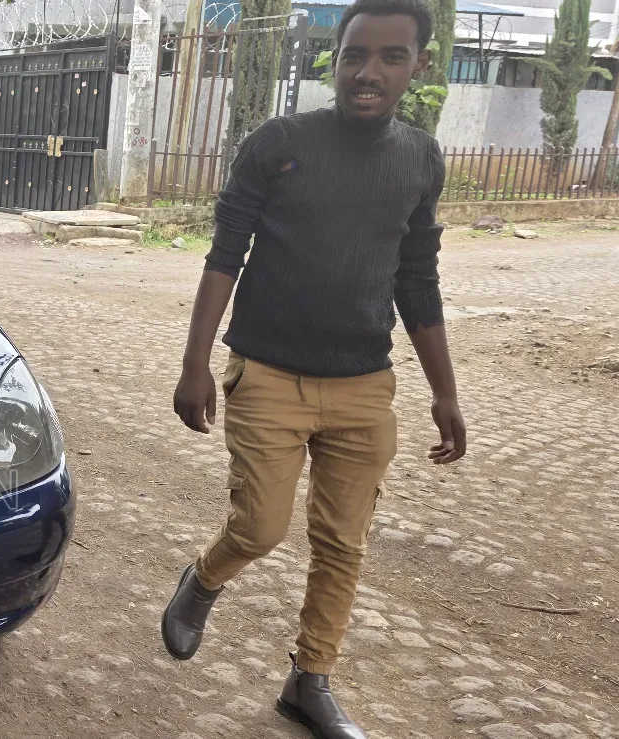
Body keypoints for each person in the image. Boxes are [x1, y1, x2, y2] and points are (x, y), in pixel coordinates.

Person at [161, 0, 466, 736]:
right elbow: (224, 255)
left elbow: (417, 281)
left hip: (364, 385)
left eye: (392, 57)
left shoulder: (420, 159)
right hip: (267, 375)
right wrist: (195, 363)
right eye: (356, 54)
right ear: (335, 57)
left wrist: (445, 392)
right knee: (261, 526)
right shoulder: (279, 144)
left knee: (342, 542)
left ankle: (310, 676)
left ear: (417, 66)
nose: (369, 72)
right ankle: (202, 579)